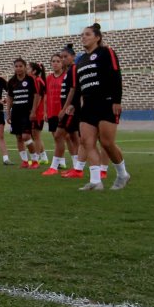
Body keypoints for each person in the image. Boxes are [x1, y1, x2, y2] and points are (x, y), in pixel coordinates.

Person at [76, 23, 130, 191]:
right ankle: (95, 181)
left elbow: (115, 74)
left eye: (87, 34)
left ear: (97, 37)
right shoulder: (81, 59)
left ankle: (122, 174)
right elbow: (80, 85)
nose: (83, 37)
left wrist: (116, 100)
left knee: (106, 142)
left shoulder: (106, 52)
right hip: (88, 105)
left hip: (106, 102)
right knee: (86, 142)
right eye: (82, 34)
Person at [5, 58, 39, 169]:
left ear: (25, 67)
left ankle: (34, 160)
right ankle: (24, 161)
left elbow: (36, 95)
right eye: (16, 66)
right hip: (16, 112)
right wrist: (8, 113)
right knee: (19, 137)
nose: (18, 68)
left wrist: (34, 111)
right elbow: (10, 97)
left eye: (21, 66)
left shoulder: (31, 79)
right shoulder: (11, 82)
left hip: (27, 112)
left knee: (26, 136)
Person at [58, 45, 85, 179]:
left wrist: (66, 108)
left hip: (71, 109)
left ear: (73, 57)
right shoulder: (69, 71)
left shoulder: (74, 69)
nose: (63, 60)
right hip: (70, 108)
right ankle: (77, 167)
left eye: (65, 57)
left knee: (63, 135)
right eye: (61, 57)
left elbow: (74, 89)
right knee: (73, 137)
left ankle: (78, 167)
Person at [41, 53, 67, 176]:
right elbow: (46, 96)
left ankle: (58, 164)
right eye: (53, 61)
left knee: (67, 137)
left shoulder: (66, 76)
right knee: (56, 138)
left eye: (58, 61)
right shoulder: (49, 78)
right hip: (52, 112)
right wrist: (45, 111)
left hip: (63, 112)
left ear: (62, 63)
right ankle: (62, 161)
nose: (55, 63)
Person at [28, 62, 49, 166]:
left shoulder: (37, 80)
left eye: (28, 68)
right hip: (36, 112)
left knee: (36, 135)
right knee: (35, 135)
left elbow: (39, 97)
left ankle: (36, 158)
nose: (26, 70)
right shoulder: (35, 80)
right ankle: (43, 156)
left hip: (38, 113)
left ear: (34, 71)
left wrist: (33, 111)